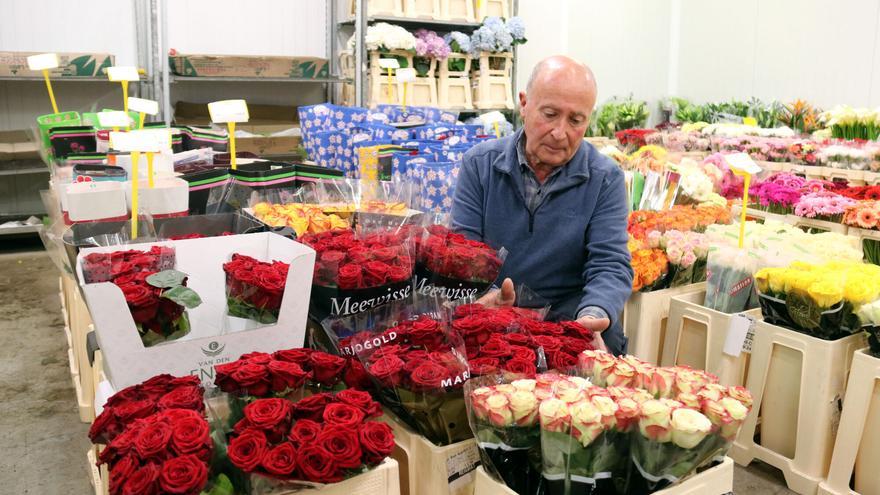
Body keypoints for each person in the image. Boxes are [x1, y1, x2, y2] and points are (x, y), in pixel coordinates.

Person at [450, 55, 633, 355]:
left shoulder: (605, 179)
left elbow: (610, 264)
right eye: (549, 114)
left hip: (569, 321)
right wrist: (483, 299)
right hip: (495, 316)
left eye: (576, 120)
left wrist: (592, 315)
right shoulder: (480, 165)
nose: (560, 133)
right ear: (523, 104)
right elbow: (462, 254)